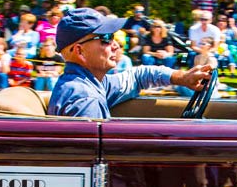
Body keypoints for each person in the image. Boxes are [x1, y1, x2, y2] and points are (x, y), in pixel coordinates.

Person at [47, 7, 211, 118]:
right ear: (79, 51)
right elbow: (93, 160)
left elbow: (138, 76)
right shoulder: (84, 99)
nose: (116, 45)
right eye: (105, 38)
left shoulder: (91, 83)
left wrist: (181, 77)